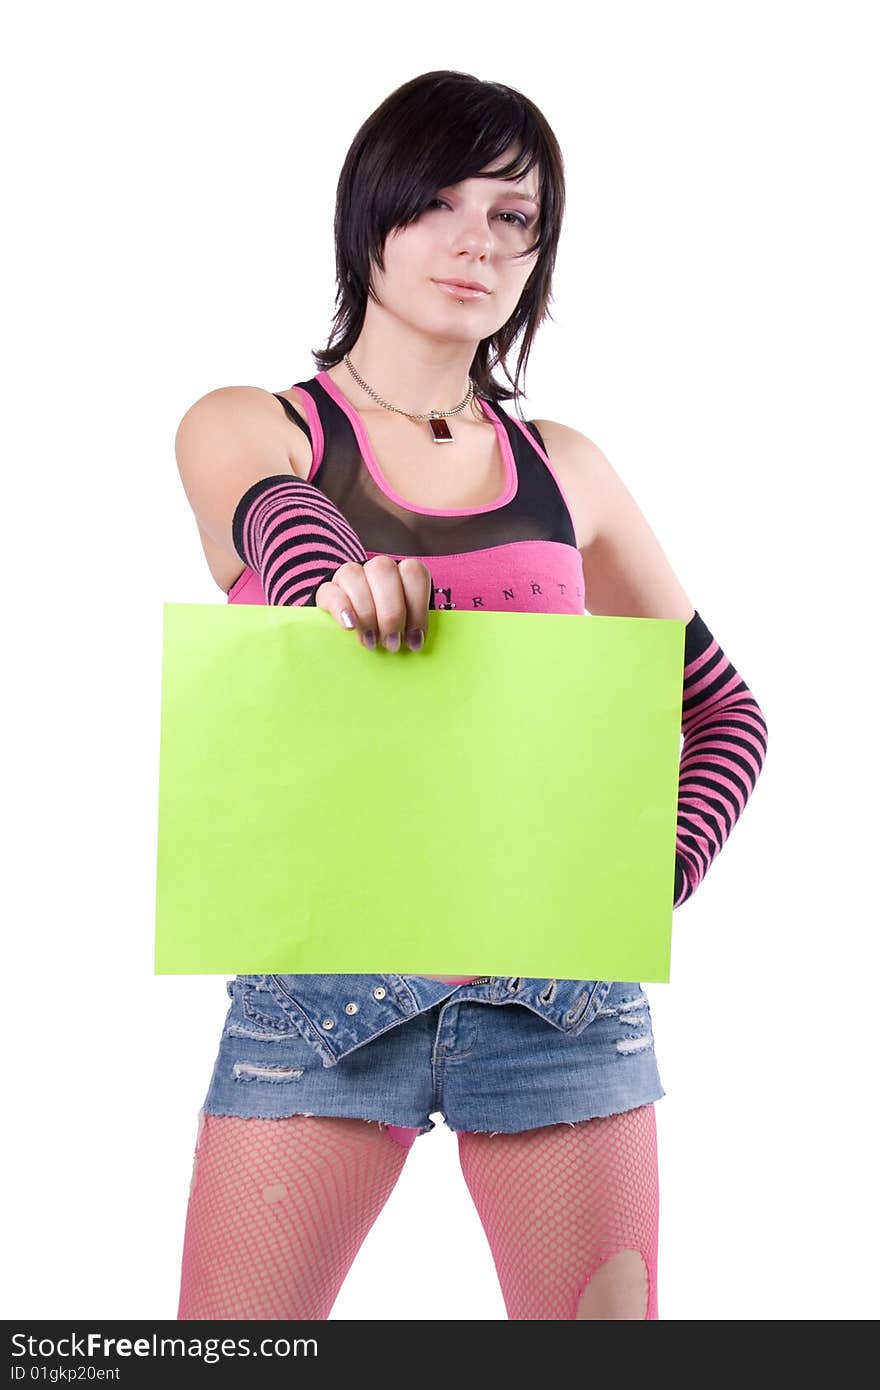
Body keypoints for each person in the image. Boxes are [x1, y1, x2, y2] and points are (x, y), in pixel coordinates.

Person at [172, 70, 768, 1321]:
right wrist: (339, 580)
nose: (473, 241)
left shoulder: (567, 467)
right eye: (437, 202)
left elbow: (723, 708)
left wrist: (647, 867)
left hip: (559, 995)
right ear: (368, 219)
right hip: (320, 991)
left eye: (513, 217)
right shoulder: (257, 424)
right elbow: (270, 520)